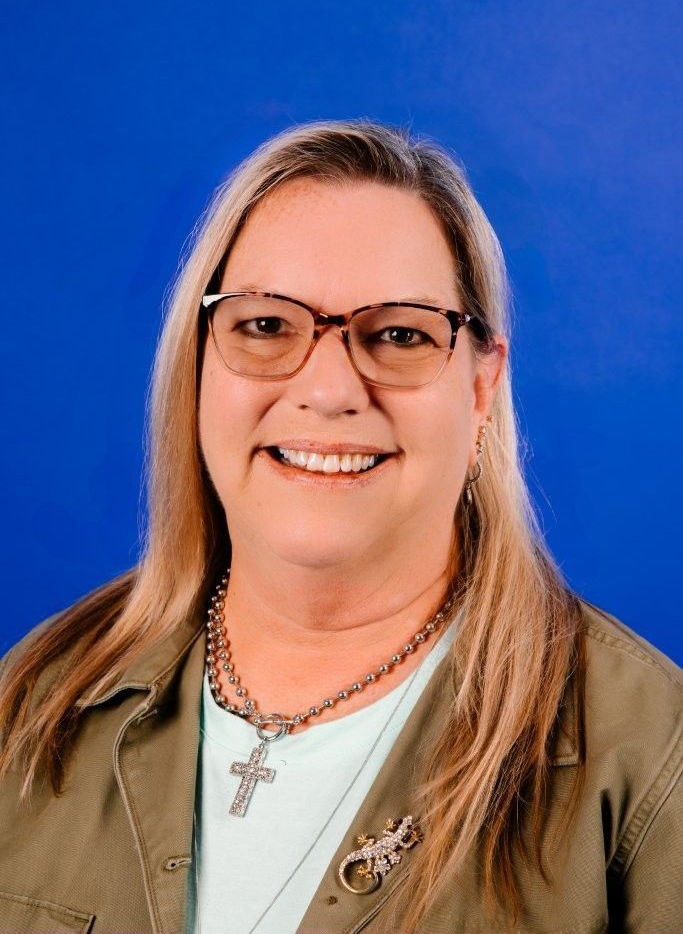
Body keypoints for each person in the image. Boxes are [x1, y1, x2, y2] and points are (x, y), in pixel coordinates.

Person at [0, 120, 680, 934]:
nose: (327, 391)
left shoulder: (649, 758)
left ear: (479, 390)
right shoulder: (32, 702)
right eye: (264, 325)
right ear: (198, 364)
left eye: (399, 334)